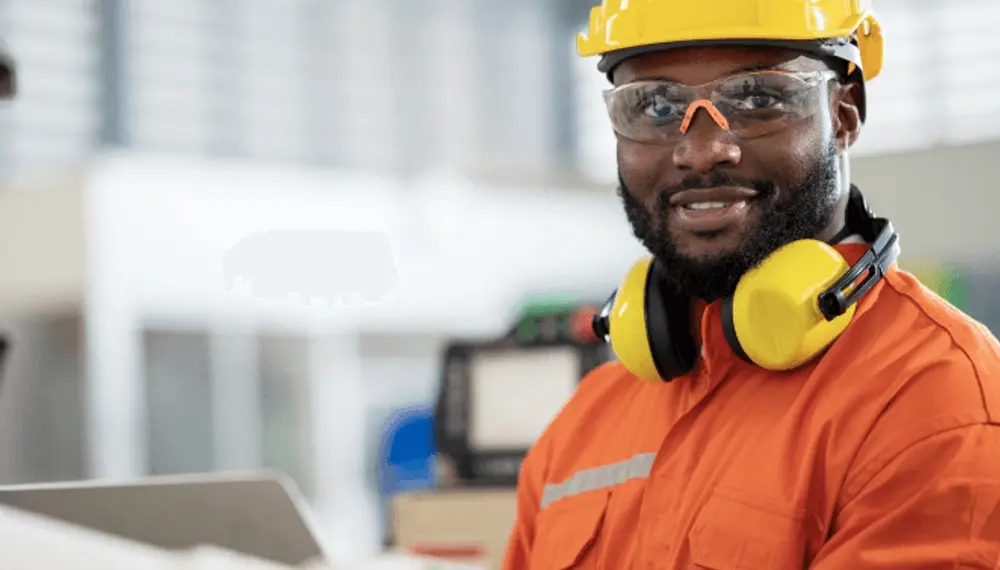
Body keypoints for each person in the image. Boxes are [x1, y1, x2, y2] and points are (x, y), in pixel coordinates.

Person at [502, 2, 1000, 569]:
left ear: (846, 112)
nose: (702, 151)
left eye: (760, 98)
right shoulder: (584, 424)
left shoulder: (935, 402)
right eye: (656, 106)